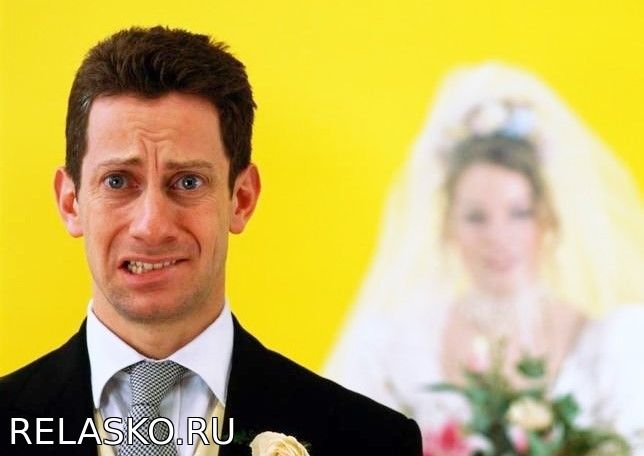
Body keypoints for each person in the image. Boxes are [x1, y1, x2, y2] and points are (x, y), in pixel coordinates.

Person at [0, 26, 422, 456]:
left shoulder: (372, 441)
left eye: (187, 181)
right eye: (118, 181)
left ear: (242, 198)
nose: (152, 225)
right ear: (70, 202)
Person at [324, 63, 644, 452]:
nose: (498, 237)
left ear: (547, 219)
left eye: (519, 213)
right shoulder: (393, 346)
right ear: (448, 225)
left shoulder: (612, 344)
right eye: (476, 217)